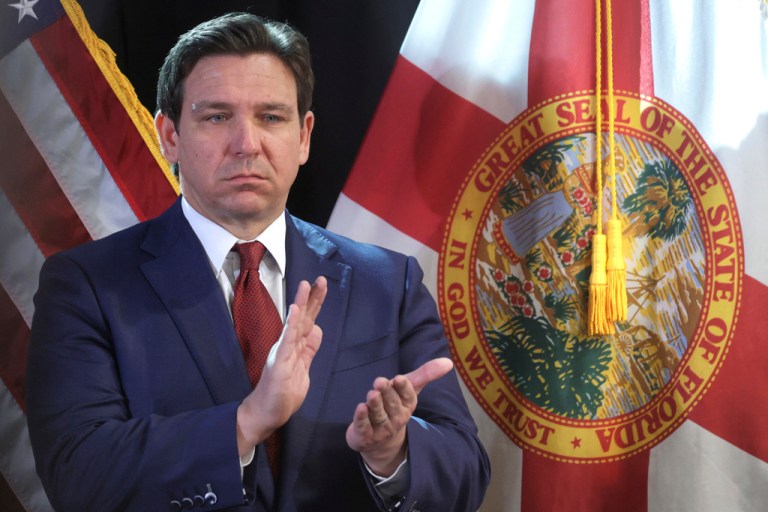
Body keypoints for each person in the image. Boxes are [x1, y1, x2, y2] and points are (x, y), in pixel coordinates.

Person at [25, 12, 490, 512]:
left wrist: (393, 452)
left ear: (304, 135)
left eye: (271, 117)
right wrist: (245, 423)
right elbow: (79, 476)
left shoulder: (388, 282)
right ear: (170, 136)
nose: (247, 144)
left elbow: (467, 471)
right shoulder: (87, 286)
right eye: (217, 117)